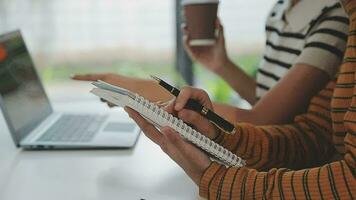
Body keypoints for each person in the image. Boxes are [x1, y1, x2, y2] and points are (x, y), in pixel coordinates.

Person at [124, 0, 356, 198]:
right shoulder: (292, 10)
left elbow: (350, 181)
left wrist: (216, 179)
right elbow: (314, 136)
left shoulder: (335, 16)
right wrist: (217, 135)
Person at [73, 0, 349, 125]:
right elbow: (268, 100)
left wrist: (136, 89)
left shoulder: (336, 17)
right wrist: (221, 64)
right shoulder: (281, 8)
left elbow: (265, 119)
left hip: (288, 163)